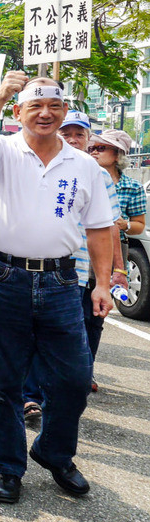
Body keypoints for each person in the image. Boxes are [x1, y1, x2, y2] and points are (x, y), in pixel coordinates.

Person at [0, 73, 114, 505]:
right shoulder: (2, 151)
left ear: (65, 111)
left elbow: (101, 228)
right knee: (6, 381)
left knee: (73, 379)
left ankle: (54, 451)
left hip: (62, 281)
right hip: (4, 278)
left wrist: (102, 283)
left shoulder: (84, 164)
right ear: (19, 112)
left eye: (54, 106)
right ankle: (9, 468)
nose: (46, 114)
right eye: (35, 106)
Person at [23, 111, 127, 418]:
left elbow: (109, 228)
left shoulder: (99, 176)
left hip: (84, 271)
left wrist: (114, 274)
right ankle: (31, 397)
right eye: (66, 133)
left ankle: (64, 395)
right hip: (44, 269)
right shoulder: (39, 167)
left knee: (79, 337)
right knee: (37, 335)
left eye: (79, 134)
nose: (72, 139)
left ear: (88, 139)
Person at [87, 129, 143, 385]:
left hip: (114, 249)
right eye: (93, 147)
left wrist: (124, 225)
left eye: (102, 148)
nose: (95, 151)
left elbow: (140, 225)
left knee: (96, 314)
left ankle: (86, 369)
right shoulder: (86, 174)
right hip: (80, 247)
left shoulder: (131, 187)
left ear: (118, 154)